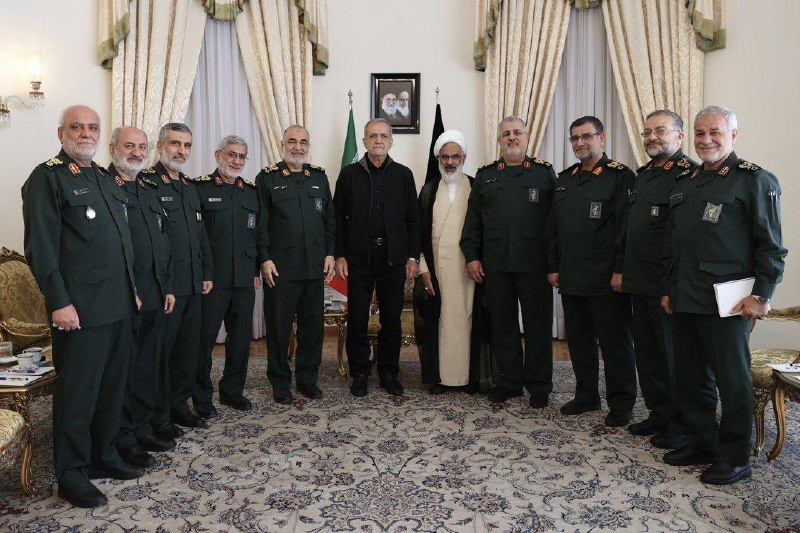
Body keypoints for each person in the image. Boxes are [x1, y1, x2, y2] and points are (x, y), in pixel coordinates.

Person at [22, 105, 142, 508]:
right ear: (62, 134)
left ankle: (102, 455)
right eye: (77, 127)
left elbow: (120, 242)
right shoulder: (47, 178)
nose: (86, 133)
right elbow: (41, 248)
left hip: (119, 303)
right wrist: (59, 302)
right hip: (80, 311)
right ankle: (71, 474)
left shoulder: (105, 179)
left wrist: (132, 289)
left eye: (92, 127)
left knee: (111, 389)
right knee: (78, 394)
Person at [662, 105, 786, 485]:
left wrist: (761, 295)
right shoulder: (685, 181)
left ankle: (734, 458)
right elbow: (674, 244)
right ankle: (702, 442)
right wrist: (669, 290)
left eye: (714, 132)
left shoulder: (754, 180)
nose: (706, 140)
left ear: (733, 135)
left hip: (729, 302)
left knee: (733, 382)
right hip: (686, 296)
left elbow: (771, 247)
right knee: (691, 377)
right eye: (700, 133)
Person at [547, 115, 637, 427]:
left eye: (587, 136)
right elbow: (554, 228)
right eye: (575, 138)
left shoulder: (620, 177)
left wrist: (620, 270)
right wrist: (553, 266)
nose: (580, 142)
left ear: (602, 137)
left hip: (606, 278)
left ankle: (622, 402)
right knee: (580, 342)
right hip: (572, 276)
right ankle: (586, 395)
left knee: (615, 345)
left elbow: (626, 229)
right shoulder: (565, 179)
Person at [461, 116, 556, 407]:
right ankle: (510, 382)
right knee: (503, 326)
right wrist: (472, 257)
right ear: (499, 140)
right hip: (496, 265)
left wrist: (555, 264)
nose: (512, 137)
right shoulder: (486, 175)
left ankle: (539, 385)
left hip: (535, 266)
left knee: (538, 327)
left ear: (526, 137)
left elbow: (556, 223)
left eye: (517, 132)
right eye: (506, 134)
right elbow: (473, 221)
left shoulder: (544, 174)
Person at [621, 110, 695, 450]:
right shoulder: (644, 175)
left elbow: (683, 237)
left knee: (672, 358)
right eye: (648, 131)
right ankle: (659, 413)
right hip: (640, 280)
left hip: (666, 285)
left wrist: (672, 286)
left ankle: (681, 424)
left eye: (661, 131)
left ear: (679, 136)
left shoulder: (689, 175)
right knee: (648, 355)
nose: (652, 137)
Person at [334, 118, 420, 397]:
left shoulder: (404, 175)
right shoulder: (349, 175)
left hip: (393, 259)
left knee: (392, 319)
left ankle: (388, 371)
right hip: (359, 257)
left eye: (383, 136)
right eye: (373, 136)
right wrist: (340, 255)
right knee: (358, 318)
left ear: (391, 141)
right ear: (364, 141)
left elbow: (413, 220)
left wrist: (413, 257)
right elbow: (337, 218)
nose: (378, 140)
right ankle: (360, 372)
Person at [108, 127, 177, 468]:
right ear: (113, 148)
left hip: (155, 293)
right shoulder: (105, 187)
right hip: (124, 297)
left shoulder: (148, 190)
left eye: (141, 147)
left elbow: (161, 244)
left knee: (148, 365)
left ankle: (142, 426)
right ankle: (122, 436)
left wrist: (167, 287)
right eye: (129, 146)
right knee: (124, 371)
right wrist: (129, 290)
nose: (136, 153)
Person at [256, 125, 335, 404]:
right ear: (282, 144)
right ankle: (280, 382)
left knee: (312, 330)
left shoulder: (319, 177)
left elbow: (329, 220)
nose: (297, 146)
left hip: (314, 268)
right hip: (280, 269)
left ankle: (307, 380)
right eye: (292, 141)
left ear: (308, 145)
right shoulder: (267, 178)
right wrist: (264, 258)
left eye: (303, 141)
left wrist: (330, 253)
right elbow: (261, 223)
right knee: (278, 330)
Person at [145, 123, 213, 432]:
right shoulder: (147, 183)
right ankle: (158, 415)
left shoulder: (189, 186)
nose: (181, 151)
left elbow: (201, 236)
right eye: (175, 144)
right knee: (162, 354)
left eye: (186, 145)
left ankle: (179, 405)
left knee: (188, 352)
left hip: (193, 284)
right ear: (160, 146)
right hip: (167, 287)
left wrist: (206, 273)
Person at [418, 130, 491, 393]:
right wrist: (423, 269)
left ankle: (470, 378)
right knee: (441, 321)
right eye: (445, 157)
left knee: (469, 318)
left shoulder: (477, 186)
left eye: (455, 156)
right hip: (437, 270)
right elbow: (418, 234)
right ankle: (440, 378)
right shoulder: (428, 191)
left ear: (464, 158)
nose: (450, 162)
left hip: (470, 268)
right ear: (438, 159)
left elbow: (486, 228)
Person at [193, 135, 260, 416]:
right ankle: (201, 397)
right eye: (232, 154)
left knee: (241, 340)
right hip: (213, 281)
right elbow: (196, 238)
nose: (236, 161)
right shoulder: (200, 189)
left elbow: (256, 235)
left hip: (243, 280)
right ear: (218, 155)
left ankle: (232, 391)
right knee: (204, 341)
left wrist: (255, 270)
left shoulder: (251, 192)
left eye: (242, 156)